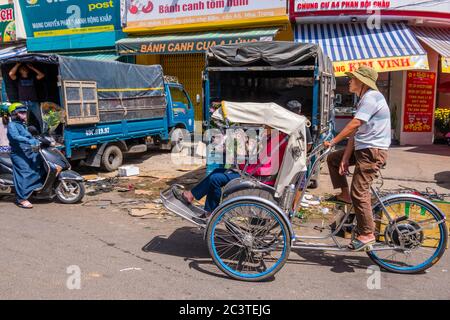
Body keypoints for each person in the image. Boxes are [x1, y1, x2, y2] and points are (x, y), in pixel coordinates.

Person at [323, 66, 391, 251]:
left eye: (353, 79)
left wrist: (333, 140)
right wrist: (344, 156)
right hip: (364, 148)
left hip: (372, 151)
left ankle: (368, 234)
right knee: (333, 160)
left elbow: (355, 124)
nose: (350, 81)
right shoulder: (364, 100)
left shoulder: (372, 97)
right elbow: (356, 131)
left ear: (362, 81)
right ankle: (344, 195)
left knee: (359, 192)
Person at [173, 127, 288, 215]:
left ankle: (209, 212)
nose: (264, 127)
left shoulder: (277, 141)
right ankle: (193, 196)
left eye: (267, 125)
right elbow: (260, 160)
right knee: (217, 171)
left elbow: (267, 167)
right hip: (253, 173)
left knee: (216, 179)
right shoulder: (273, 138)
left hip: (258, 178)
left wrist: (245, 167)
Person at [6, 102, 44, 209]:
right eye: (21, 112)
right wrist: (29, 140)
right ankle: (21, 199)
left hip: (28, 152)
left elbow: (31, 133)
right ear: (14, 114)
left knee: (39, 167)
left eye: (24, 112)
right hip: (18, 154)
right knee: (25, 173)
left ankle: (34, 190)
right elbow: (15, 136)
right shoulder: (12, 125)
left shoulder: (23, 125)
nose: (24, 114)